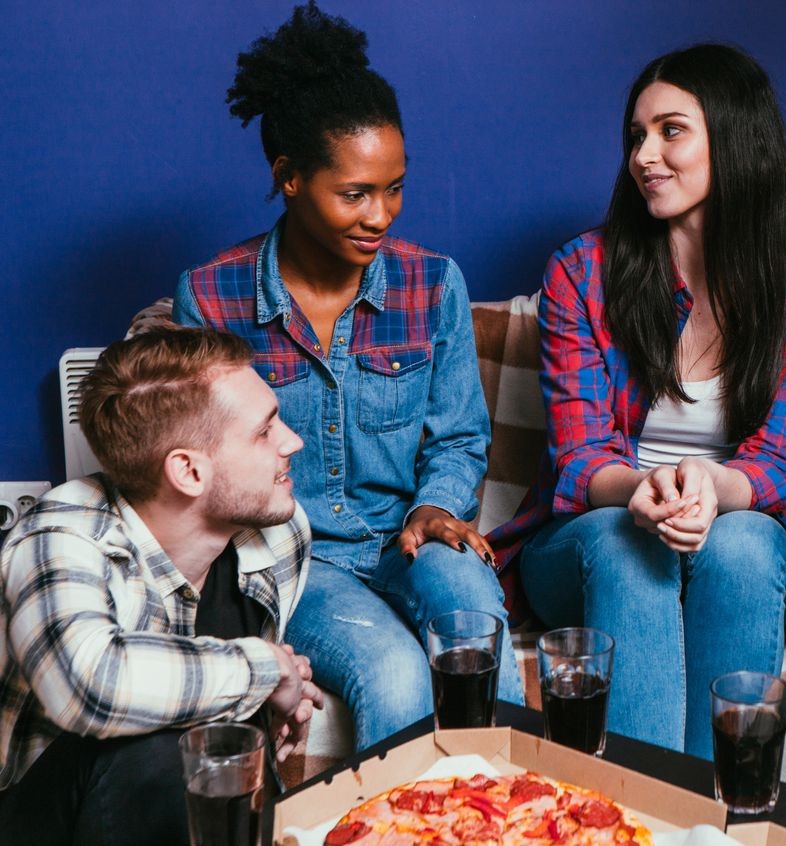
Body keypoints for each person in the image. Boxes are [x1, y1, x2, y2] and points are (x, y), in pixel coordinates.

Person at [173, 1, 522, 751]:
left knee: (478, 637)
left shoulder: (434, 284)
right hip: (296, 563)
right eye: (355, 193)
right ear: (290, 178)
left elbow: (459, 436)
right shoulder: (211, 297)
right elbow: (212, 474)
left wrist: (436, 507)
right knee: (396, 675)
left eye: (395, 187)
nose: (381, 215)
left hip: (412, 537)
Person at [488, 44, 786, 758]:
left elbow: (776, 465)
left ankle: (724, 821)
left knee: (745, 544)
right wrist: (644, 489)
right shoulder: (581, 273)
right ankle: (640, 817)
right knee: (629, 542)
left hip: (732, 536)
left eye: (670, 131)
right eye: (636, 136)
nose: (644, 156)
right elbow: (582, 457)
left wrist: (710, 488)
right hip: (598, 536)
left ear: (735, 139)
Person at [0, 327, 320, 846]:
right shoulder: (60, 535)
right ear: (188, 471)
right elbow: (92, 686)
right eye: (264, 432)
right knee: (162, 752)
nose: (291, 441)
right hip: (40, 819)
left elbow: (221, 707)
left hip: (177, 817)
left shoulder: (280, 533)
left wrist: (271, 700)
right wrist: (269, 667)